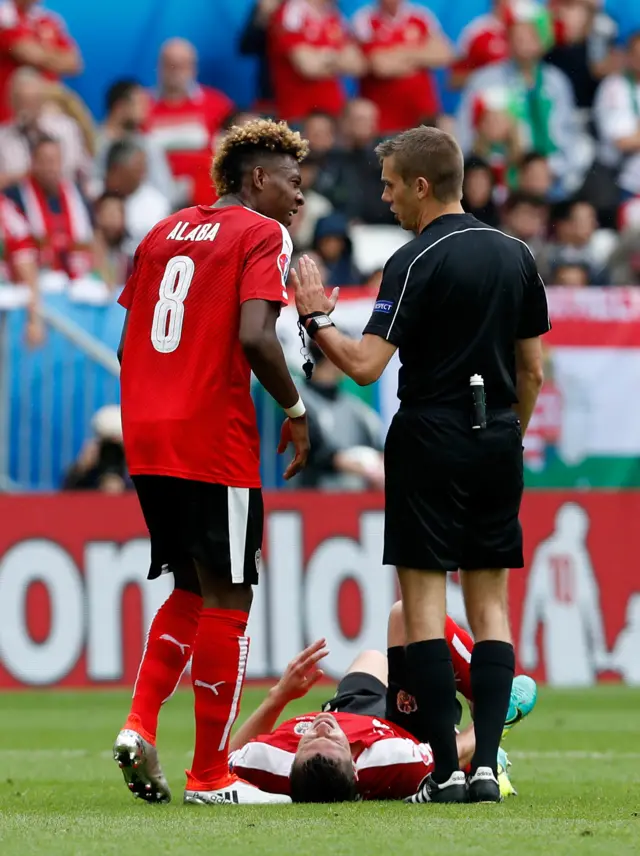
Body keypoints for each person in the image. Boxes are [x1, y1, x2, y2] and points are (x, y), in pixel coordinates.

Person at [291, 124, 550, 804]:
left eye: (390, 184)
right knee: (491, 603)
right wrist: (506, 432)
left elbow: (366, 364)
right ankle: (487, 765)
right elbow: (533, 370)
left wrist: (317, 318)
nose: (385, 197)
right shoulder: (519, 254)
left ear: (422, 185)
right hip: (496, 435)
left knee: (425, 606)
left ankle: (443, 768)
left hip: (429, 437)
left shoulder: (414, 259)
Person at [113, 118, 311, 808]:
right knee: (232, 595)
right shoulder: (262, 234)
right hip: (211, 435)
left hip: (147, 434)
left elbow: (126, 342)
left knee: (191, 591)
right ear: (257, 179)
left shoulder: (159, 232)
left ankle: (139, 725)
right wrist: (295, 410)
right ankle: (209, 777)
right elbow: (258, 337)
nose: (300, 199)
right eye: (292, 182)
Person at [230, 602, 537, 801]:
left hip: (349, 710)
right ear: (355, 768)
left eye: (309, 739)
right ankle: (493, 712)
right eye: (336, 743)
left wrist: (279, 696)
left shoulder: (270, 765)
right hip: (394, 723)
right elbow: (449, 756)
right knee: (409, 615)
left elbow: (225, 760)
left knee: (371, 657)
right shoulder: (388, 762)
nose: (320, 728)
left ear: (292, 762)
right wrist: (489, 722)